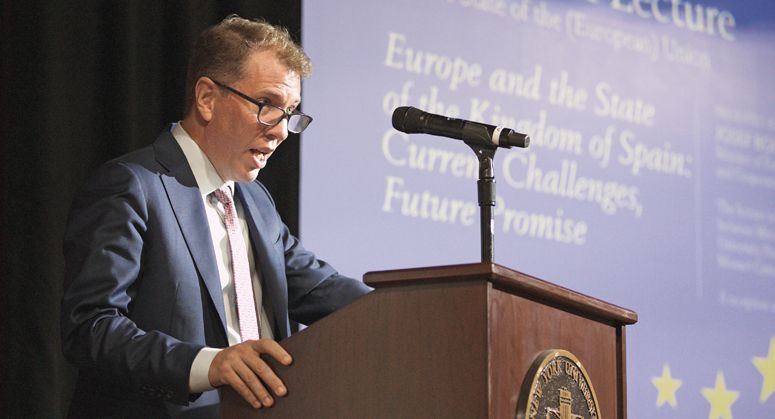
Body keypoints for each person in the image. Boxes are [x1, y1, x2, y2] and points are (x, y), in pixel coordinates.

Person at [60, 15, 371, 418]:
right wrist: (209, 365)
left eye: (290, 112)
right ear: (207, 98)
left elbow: (322, 289)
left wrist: (421, 310)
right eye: (267, 106)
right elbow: (91, 328)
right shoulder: (133, 186)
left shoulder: (255, 202)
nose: (280, 132)